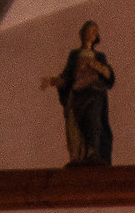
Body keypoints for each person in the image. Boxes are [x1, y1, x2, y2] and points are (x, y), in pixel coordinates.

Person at [42, 21, 115, 166]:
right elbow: (67, 76)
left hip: (94, 94)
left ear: (96, 37)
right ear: (81, 34)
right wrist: (53, 81)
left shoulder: (99, 56)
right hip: (76, 96)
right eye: (89, 30)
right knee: (74, 126)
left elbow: (109, 75)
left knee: (93, 122)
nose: (92, 33)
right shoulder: (74, 55)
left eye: (94, 31)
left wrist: (95, 65)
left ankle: (92, 153)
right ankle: (78, 156)